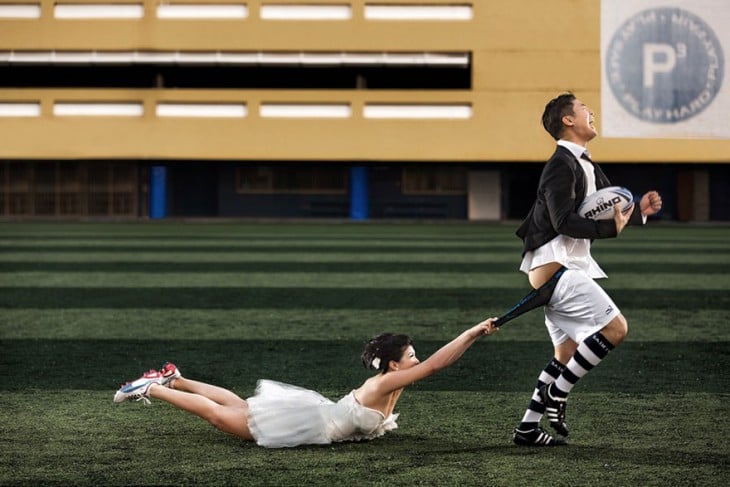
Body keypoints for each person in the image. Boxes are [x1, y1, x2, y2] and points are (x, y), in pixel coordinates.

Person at [511, 92, 663, 447]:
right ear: (568, 120)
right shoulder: (559, 166)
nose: (590, 112)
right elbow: (563, 221)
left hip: (565, 269)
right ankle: (558, 392)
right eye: (583, 109)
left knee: (564, 354)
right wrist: (610, 229)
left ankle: (527, 428)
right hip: (557, 269)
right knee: (616, 328)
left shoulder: (585, 164)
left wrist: (637, 211)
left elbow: (609, 204)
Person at [114, 318, 499, 448]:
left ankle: (175, 378)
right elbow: (434, 366)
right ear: (394, 365)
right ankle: (151, 388)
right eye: (410, 355)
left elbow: (429, 365)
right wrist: (471, 334)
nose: (416, 358)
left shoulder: (393, 381)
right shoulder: (383, 384)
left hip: (317, 414)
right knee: (222, 418)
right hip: (310, 422)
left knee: (241, 407)